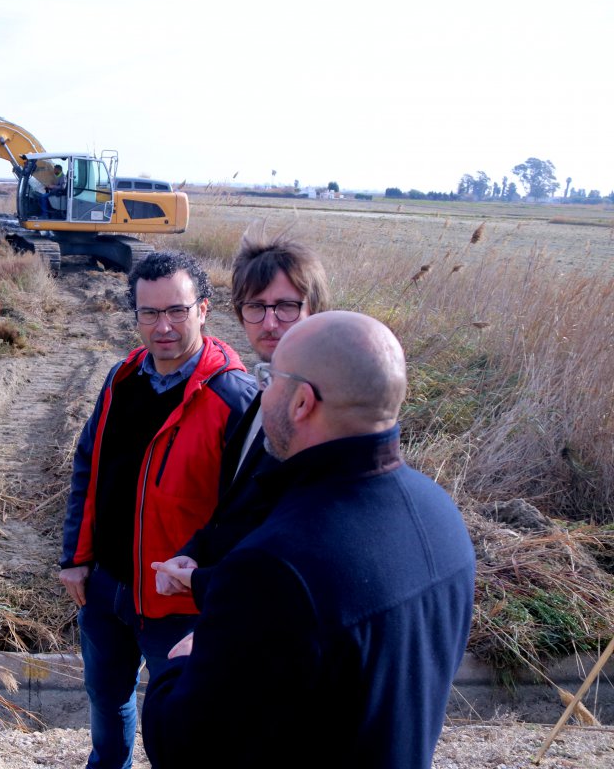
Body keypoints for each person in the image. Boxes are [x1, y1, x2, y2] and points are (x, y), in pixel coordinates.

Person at [143, 311, 477, 768]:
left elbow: (182, 748)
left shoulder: (274, 567)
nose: (262, 394)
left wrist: (181, 663)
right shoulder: (441, 514)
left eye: (270, 378)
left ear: (302, 401)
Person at [58, 250, 254, 769]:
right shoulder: (122, 378)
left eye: (177, 310)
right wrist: (75, 559)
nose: (163, 326)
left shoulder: (233, 397)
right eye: (149, 313)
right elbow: (88, 465)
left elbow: (247, 515)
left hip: (180, 603)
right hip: (107, 590)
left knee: (186, 727)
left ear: (204, 310)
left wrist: (216, 595)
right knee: (108, 701)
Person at [153, 232, 329, 593]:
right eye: (255, 307)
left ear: (315, 309)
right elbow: (241, 508)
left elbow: (302, 544)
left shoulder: (325, 413)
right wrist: (197, 553)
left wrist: (207, 583)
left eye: (287, 307)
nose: (269, 323)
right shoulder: (262, 393)